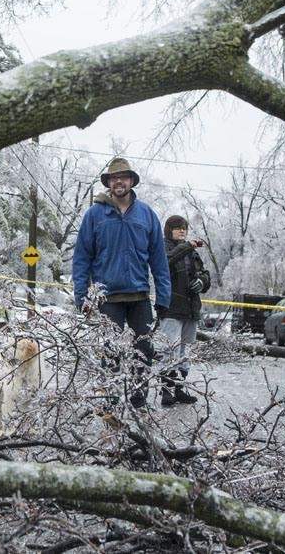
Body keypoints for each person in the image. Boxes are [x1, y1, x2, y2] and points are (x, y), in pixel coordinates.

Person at [72, 157, 171, 407]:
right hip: (107, 299)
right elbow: (82, 258)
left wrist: (163, 297)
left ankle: (139, 402)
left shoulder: (147, 215)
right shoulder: (95, 215)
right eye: (114, 177)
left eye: (123, 177)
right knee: (110, 353)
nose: (119, 181)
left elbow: (159, 260)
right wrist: (82, 296)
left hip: (139, 297)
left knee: (143, 352)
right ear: (109, 182)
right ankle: (111, 403)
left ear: (131, 181)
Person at [159, 215, 211, 406]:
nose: (182, 230)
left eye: (184, 228)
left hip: (190, 309)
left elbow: (205, 274)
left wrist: (202, 281)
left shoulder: (192, 253)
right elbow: (166, 262)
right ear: (168, 230)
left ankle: (179, 389)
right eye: (178, 227)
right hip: (171, 308)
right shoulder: (163, 247)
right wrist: (188, 246)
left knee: (183, 352)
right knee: (169, 350)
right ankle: (166, 391)